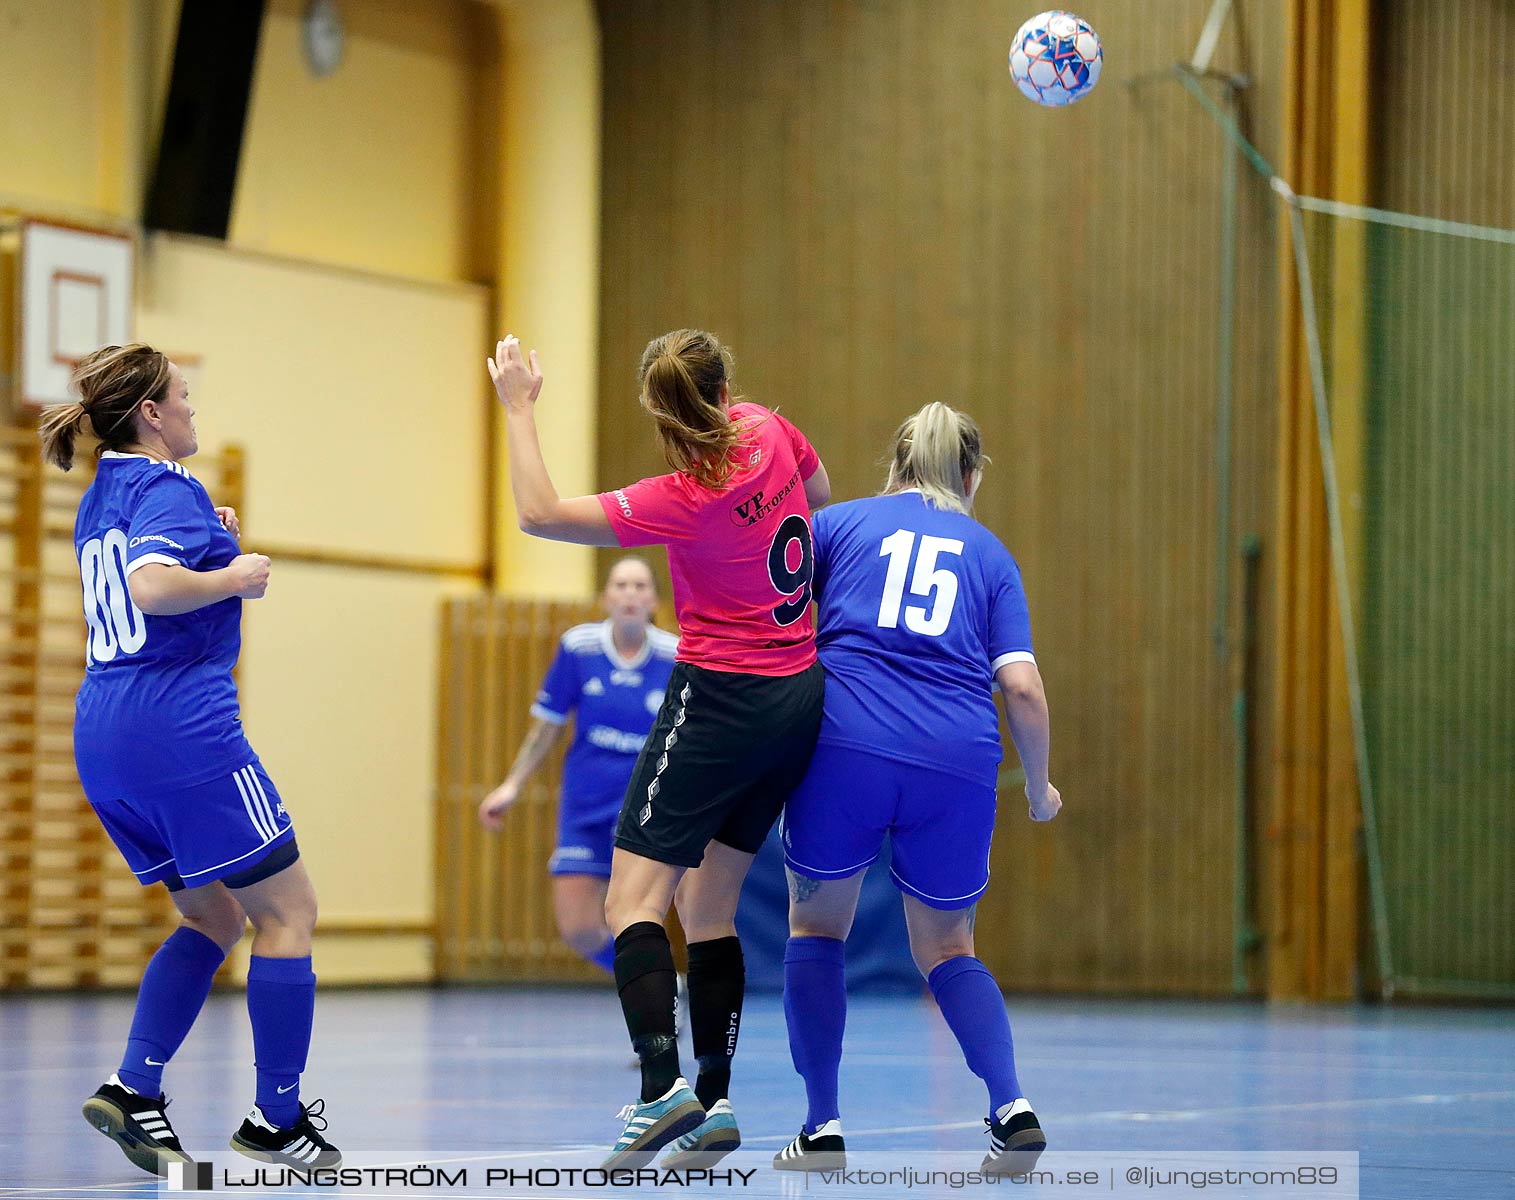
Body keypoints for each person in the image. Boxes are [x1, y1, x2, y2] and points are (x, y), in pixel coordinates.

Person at [486, 329, 828, 1166]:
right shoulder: (769, 430)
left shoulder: (681, 493)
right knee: (707, 910)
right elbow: (819, 496)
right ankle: (712, 1102)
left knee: (627, 903)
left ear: (657, 409)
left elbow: (538, 514)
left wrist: (520, 409)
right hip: (797, 693)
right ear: (722, 386)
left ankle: (658, 1090)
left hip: (718, 698)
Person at [39, 344, 339, 1175]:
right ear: (151, 415)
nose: (193, 410)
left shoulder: (103, 494)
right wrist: (232, 575)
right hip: (180, 729)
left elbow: (144, 570)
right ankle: (277, 1119)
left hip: (104, 731)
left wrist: (210, 546)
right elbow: (153, 586)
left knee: (212, 916)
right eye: (183, 398)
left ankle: (135, 1086)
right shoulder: (171, 487)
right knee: (288, 912)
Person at [772, 402, 1061, 1176]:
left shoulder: (837, 527)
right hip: (957, 759)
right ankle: (1010, 1105)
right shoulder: (990, 555)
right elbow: (1023, 688)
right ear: (970, 477)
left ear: (893, 465)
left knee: (815, 930)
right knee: (945, 946)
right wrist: (1037, 788)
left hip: (846, 743)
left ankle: (821, 1126)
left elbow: (772, 627)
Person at [477, 556, 677, 978]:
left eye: (640, 586)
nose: (630, 594)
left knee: (634, 917)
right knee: (580, 928)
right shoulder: (579, 647)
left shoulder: (674, 656)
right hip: (585, 807)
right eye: (621, 585)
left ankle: (653, 996)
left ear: (654, 600)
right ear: (606, 597)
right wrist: (512, 784)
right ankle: (656, 981)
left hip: (645, 812)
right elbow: (546, 726)